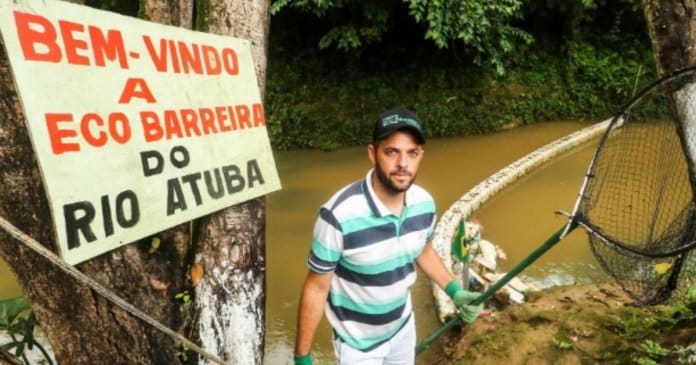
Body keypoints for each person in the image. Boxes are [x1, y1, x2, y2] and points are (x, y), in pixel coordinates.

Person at [293, 106, 483, 365]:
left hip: (403, 328)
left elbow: (422, 249)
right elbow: (317, 287)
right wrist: (302, 356)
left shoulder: (424, 203)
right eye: (391, 152)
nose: (403, 164)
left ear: (420, 155)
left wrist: (453, 290)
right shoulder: (338, 216)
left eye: (411, 153)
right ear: (373, 154)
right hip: (358, 345)